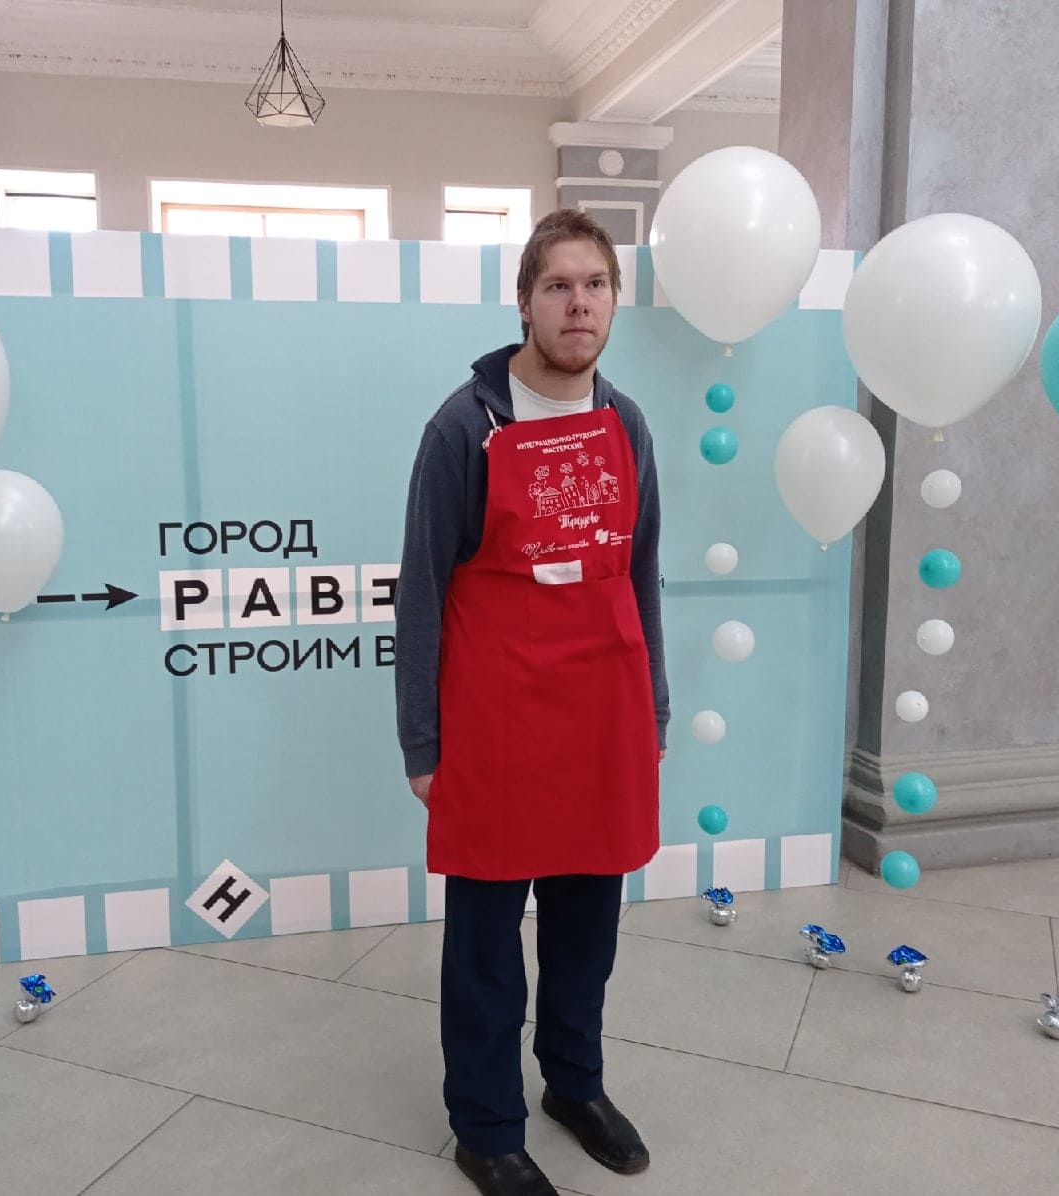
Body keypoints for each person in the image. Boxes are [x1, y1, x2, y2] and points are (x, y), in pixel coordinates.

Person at [394, 209, 670, 1196]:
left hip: (603, 712)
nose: (577, 304)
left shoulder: (626, 423)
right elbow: (422, 589)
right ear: (524, 302)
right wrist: (422, 741)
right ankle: (483, 1125)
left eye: (595, 285)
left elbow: (641, 574)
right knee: (485, 943)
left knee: (586, 928)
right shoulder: (464, 427)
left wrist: (654, 709)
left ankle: (574, 1084)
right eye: (558, 286)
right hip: (495, 720)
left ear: (614, 303)